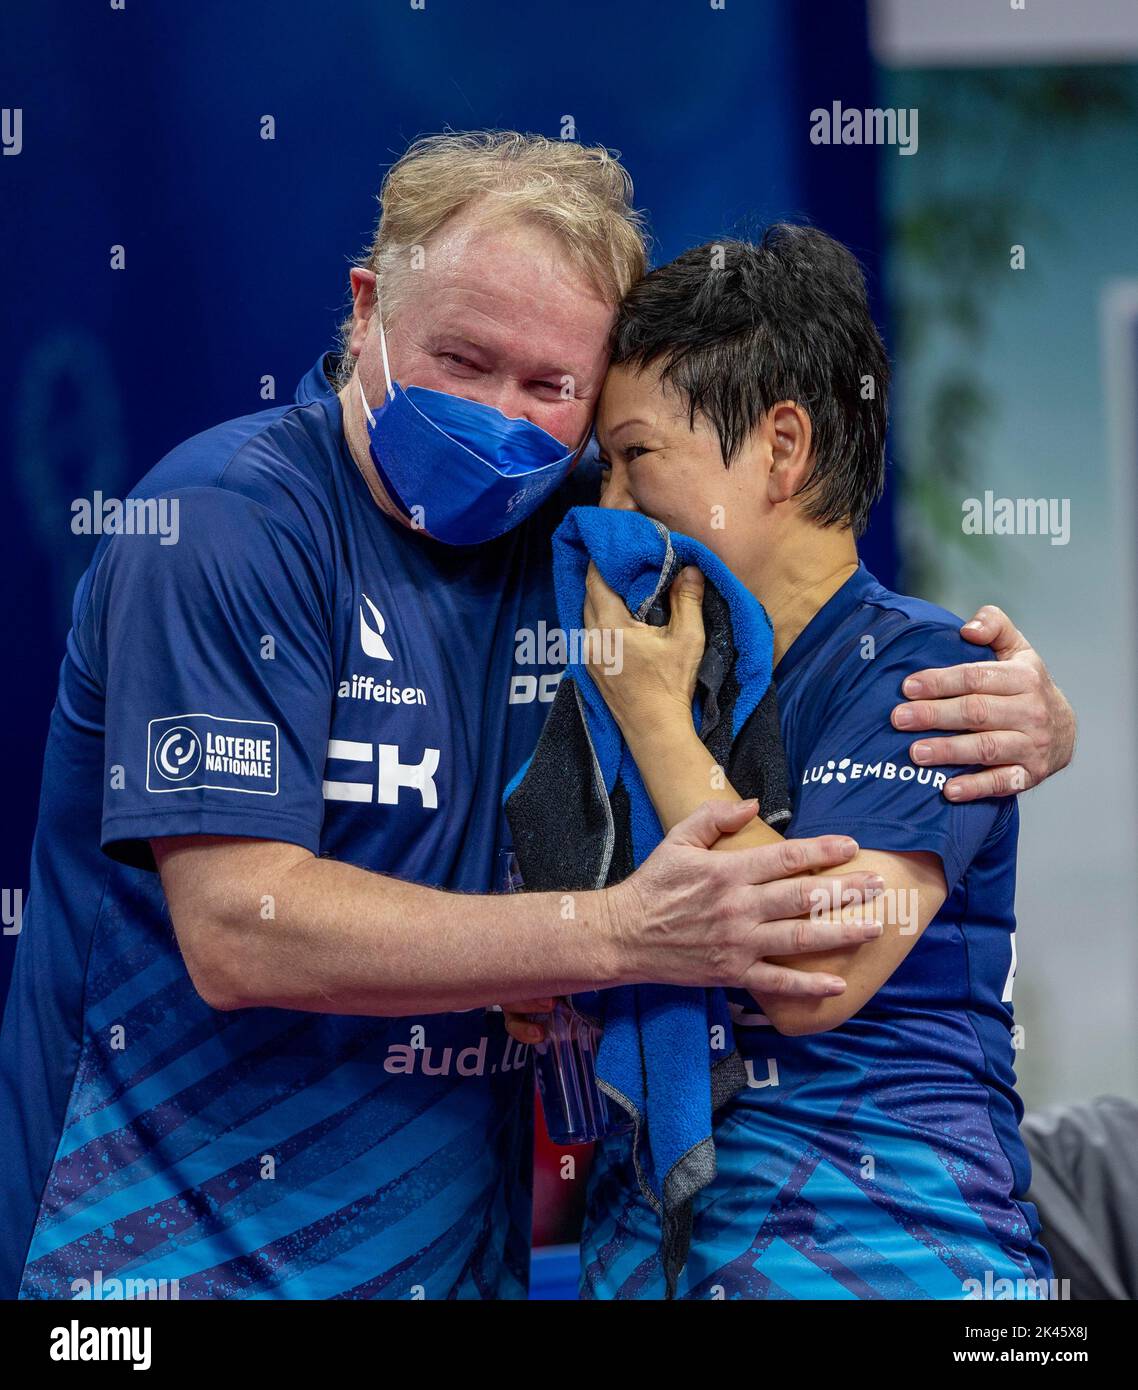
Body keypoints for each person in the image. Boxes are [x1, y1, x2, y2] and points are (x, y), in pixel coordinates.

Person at [0, 133, 1073, 1302]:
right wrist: (609, 935)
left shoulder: (591, 537)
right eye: (462, 358)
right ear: (365, 310)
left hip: (483, 1270)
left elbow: (816, 899)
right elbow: (237, 930)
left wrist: (1036, 718)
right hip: (155, 1269)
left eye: (553, 390)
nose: (500, 418)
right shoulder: (223, 524)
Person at [538, 225, 1058, 1298]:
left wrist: (655, 722)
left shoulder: (928, 672)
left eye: (637, 459)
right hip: (652, 1267)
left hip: (901, 1258)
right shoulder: (648, 679)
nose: (608, 513)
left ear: (782, 447)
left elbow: (818, 964)